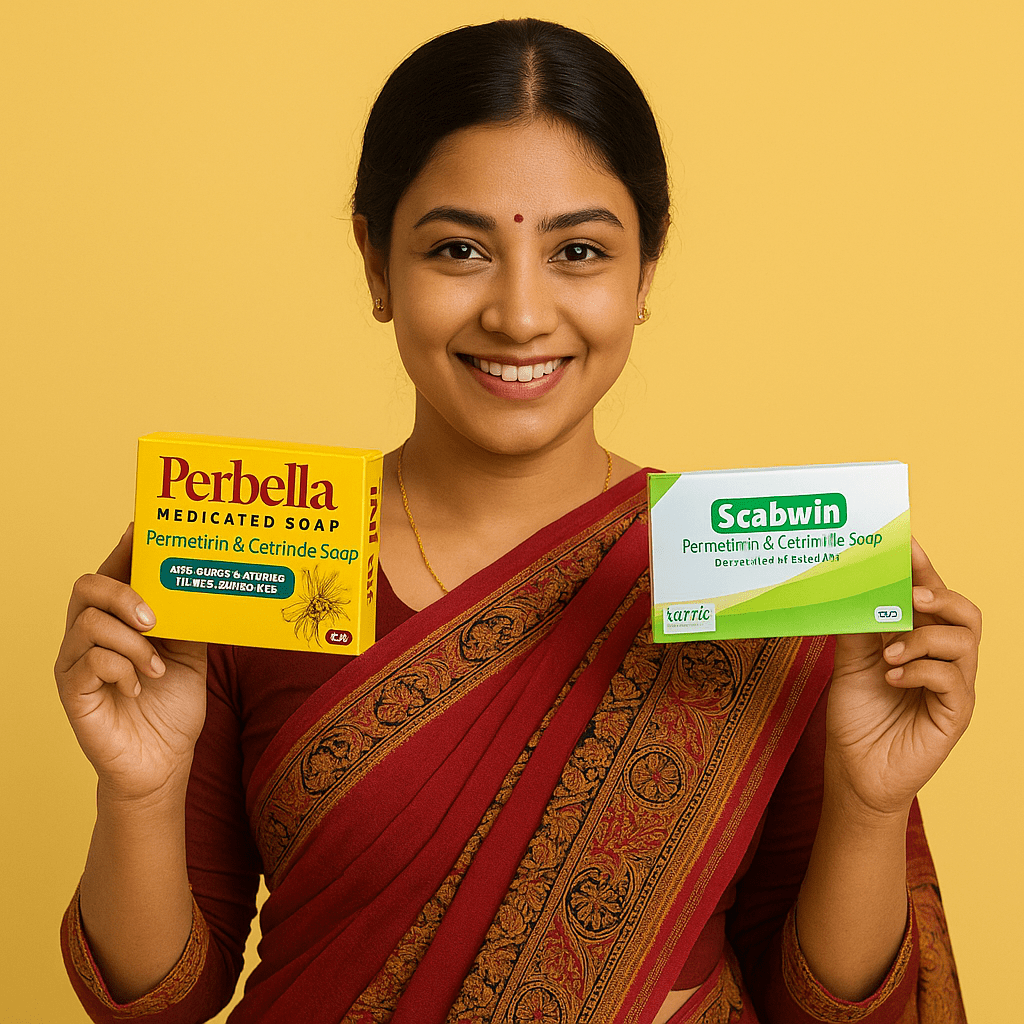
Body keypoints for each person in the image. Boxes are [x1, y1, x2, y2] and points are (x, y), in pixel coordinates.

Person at [55, 18, 980, 1024]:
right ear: (375, 262)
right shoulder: (242, 555)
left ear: (646, 272)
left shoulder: (772, 575)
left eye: (578, 250)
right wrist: (136, 792)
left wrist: (870, 800)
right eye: (459, 248)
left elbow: (835, 1010)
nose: (520, 312)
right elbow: (157, 1001)